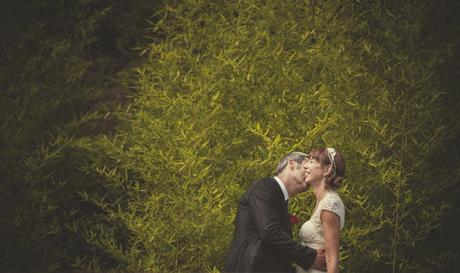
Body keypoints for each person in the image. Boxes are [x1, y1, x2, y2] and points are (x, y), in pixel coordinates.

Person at [224, 152, 326, 273]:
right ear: (292, 164)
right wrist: (309, 256)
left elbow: (275, 250)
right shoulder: (263, 187)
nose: (310, 173)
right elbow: (268, 230)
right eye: (307, 167)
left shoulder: (280, 198)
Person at [296, 148, 345, 273]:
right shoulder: (322, 201)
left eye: (312, 161)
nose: (305, 166)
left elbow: (332, 257)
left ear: (326, 169)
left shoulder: (330, 204)